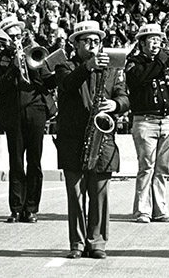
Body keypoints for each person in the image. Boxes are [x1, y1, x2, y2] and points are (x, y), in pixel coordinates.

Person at [55, 20, 129, 259]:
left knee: (100, 194)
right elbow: (67, 84)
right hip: (72, 137)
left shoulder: (112, 69)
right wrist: (87, 67)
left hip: (102, 138)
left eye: (96, 42)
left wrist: (115, 105)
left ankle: (97, 242)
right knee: (75, 195)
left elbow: (124, 97)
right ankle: (77, 244)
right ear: (75, 44)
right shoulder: (65, 66)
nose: (93, 46)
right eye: (87, 41)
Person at [0, 16, 57, 223]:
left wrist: (44, 66)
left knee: (35, 161)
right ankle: (16, 208)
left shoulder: (35, 51)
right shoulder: (0, 58)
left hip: (36, 109)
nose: (16, 39)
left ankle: (31, 208)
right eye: (12, 36)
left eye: (18, 35)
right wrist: (12, 65)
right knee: (16, 162)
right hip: (13, 112)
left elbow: (49, 82)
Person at [125, 23, 169, 224]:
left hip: (168, 120)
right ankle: (142, 210)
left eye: (159, 39)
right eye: (152, 40)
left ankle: (160, 209)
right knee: (146, 166)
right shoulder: (134, 62)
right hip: (145, 121)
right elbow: (139, 78)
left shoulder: (167, 60)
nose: (157, 43)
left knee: (162, 168)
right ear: (142, 43)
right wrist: (161, 60)